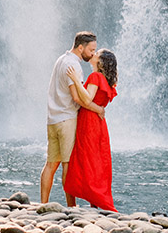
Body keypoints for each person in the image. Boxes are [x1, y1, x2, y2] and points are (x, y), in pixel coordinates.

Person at [41, 31, 103, 206]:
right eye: (91, 50)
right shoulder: (73, 65)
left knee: (50, 165)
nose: (93, 54)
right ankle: (71, 207)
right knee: (68, 165)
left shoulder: (61, 59)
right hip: (66, 119)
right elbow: (77, 98)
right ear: (81, 47)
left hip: (52, 119)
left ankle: (43, 204)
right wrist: (97, 108)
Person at [63, 48, 118, 212]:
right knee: (96, 162)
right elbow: (96, 101)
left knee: (85, 160)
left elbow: (86, 99)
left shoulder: (95, 76)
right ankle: (95, 201)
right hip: (99, 125)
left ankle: (90, 199)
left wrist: (75, 80)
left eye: (96, 54)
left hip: (88, 122)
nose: (93, 55)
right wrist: (99, 109)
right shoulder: (106, 79)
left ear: (100, 62)